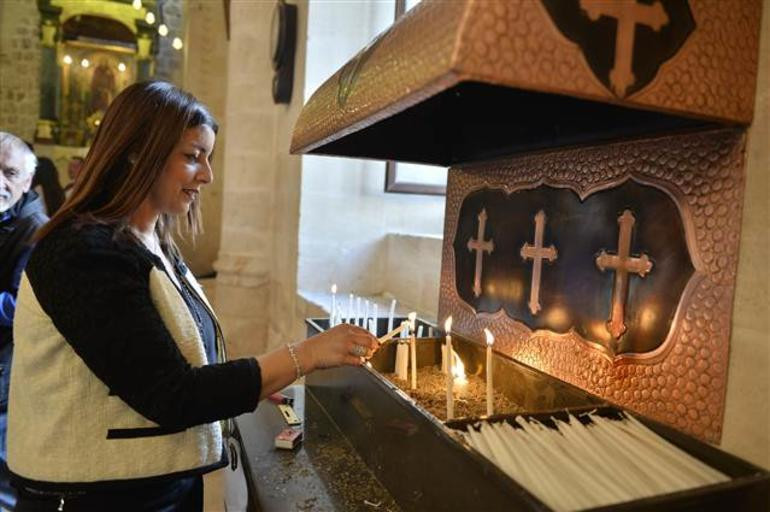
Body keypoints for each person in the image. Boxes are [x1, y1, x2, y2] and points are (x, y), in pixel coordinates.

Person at [6, 81, 378, 511]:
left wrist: (256, 382)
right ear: (135, 151)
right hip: (90, 497)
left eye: (207, 157)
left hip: (154, 484)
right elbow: (172, 393)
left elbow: (175, 355)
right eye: (191, 156)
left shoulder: (154, 241)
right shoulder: (83, 252)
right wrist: (304, 356)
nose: (207, 174)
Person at [0, 132, 48, 511]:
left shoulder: (34, 228)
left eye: (9, 172)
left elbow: (23, 307)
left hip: (6, 376)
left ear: (27, 181)